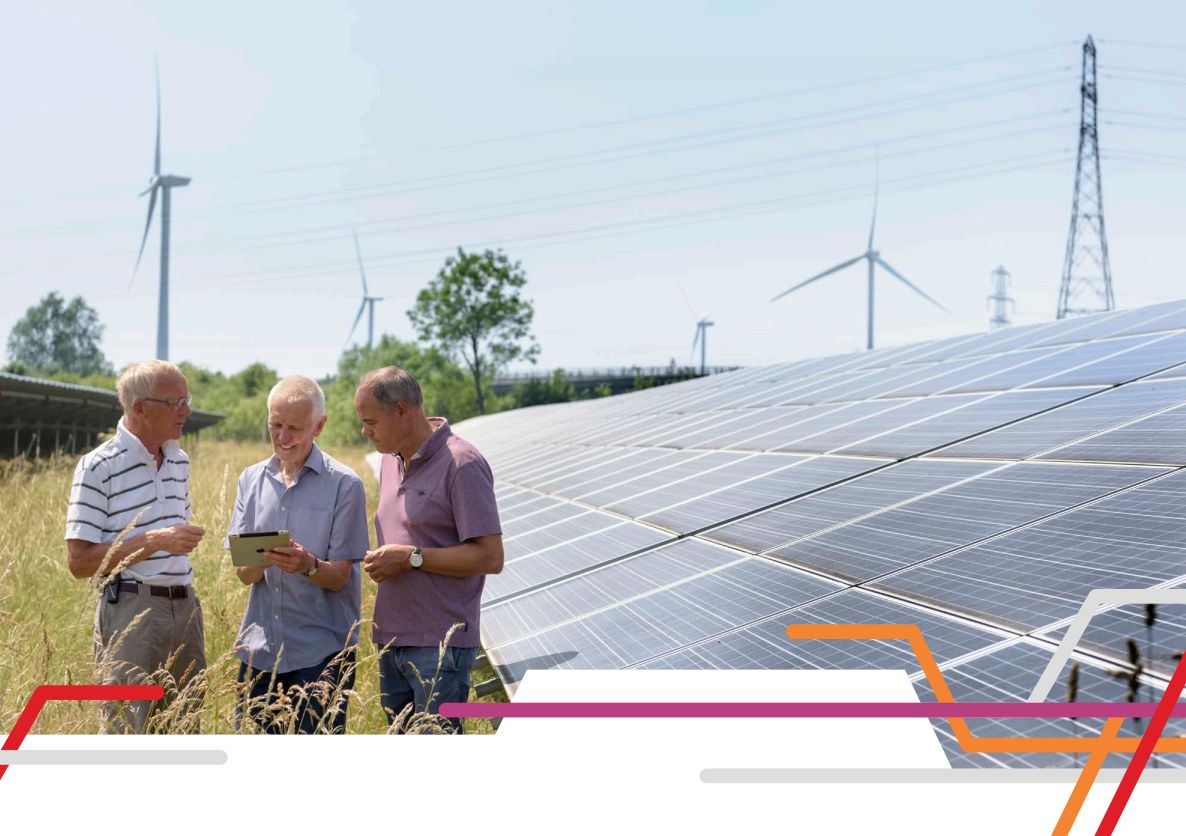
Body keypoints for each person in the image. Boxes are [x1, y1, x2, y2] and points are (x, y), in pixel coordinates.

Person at [354, 366, 503, 733]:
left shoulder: (462, 464)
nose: (364, 431)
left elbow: (490, 556)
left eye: (371, 421)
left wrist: (411, 557)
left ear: (402, 411)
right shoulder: (391, 461)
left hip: (440, 646)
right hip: (392, 640)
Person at [65, 360, 207, 733]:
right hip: (132, 610)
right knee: (127, 730)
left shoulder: (179, 459)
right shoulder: (98, 467)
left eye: (186, 399)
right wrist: (155, 540)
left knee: (183, 731)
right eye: (176, 402)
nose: (187, 410)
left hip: (186, 609)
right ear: (140, 408)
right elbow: (79, 562)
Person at [229, 376, 369, 734]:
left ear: (319, 426)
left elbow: (339, 577)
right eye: (275, 425)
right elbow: (244, 573)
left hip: (322, 655)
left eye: (294, 428)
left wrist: (308, 566)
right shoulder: (251, 480)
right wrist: (263, 556)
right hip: (259, 654)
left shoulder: (345, 485)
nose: (283, 437)